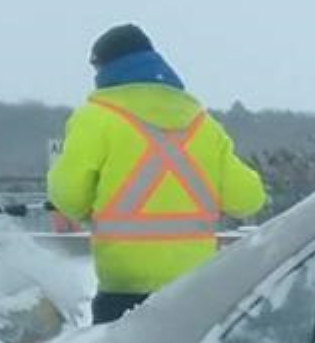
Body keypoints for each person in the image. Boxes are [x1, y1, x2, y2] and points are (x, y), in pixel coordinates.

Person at [48, 24, 267, 321]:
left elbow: (68, 197)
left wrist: (97, 210)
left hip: (123, 290)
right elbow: (248, 199)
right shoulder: (202, 125)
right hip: (194, 288)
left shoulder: (95, 119)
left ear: (105, 68)